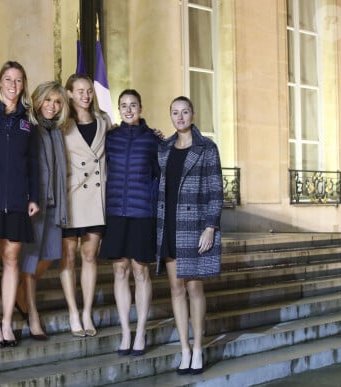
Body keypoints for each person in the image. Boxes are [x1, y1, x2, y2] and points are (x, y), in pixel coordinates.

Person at [157, 96, 223, 375]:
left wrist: (210, 226)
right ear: (170, 116)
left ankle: (198, 348)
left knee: (195, 287)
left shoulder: (207, 147)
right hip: (169, 225)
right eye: (175, 112)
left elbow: (216, 190)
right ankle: (184, 348)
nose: (180, 117)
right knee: (176, 288)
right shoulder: (164, 148)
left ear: (193, 114)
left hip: (195, 226)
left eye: (185, 112)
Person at [0, 61, 40, 348]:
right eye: (8, 79)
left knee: (12, 259)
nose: (13, 85)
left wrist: (34, 196)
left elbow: (34, 163)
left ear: (23, 85)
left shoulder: (28, 120)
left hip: (17, 198)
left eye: (18, 80)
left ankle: (6, 323)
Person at [100, 89, 160, 356]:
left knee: (140, 271)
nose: (128, 110)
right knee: (120, 270)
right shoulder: (110, 138)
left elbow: (159, 177)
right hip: (115, 213)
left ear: (140, 107)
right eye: (123, 105)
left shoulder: (153, 140)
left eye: (133, 105)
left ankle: (141, 332)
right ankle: (126, 332)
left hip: (142, 214)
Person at [16, 81, 70, 341]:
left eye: (57, 102)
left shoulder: (57, 131)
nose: (52, 106)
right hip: (34, 202)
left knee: (49, 255)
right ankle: (32, 312)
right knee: (30, 258)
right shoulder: (29, 127)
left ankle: (18, 292)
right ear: (37, 101)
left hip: (55, 202)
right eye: (47, 100)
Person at [60, 73, 111, 337]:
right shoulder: (62, 123)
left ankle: (87, 312)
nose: (85, 95)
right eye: (79, 90)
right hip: (70, 198)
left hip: (95, 200)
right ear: (68, 93)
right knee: (68, 258)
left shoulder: (104, 121)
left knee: (90, 256)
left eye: (88, 90)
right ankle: (72, 312)